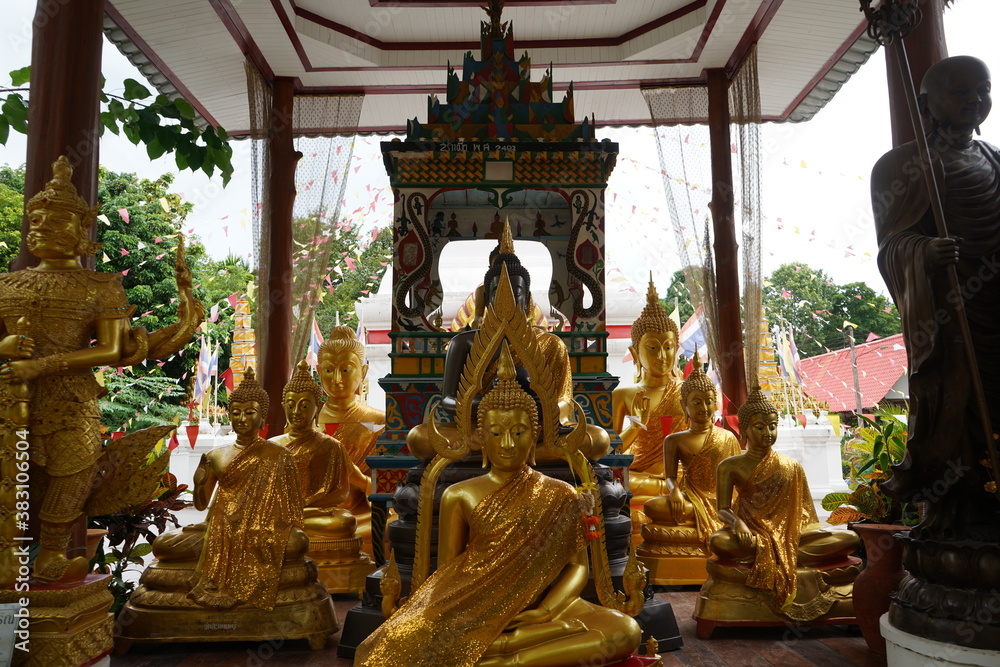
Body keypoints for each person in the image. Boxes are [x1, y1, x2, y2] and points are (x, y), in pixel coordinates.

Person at [354, 344, 640, 667]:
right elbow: (447, 575)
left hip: (551, 609)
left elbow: (578, 568)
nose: (507, 443)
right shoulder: (459, 495)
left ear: (536, 437)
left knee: (626, 630)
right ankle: (506, 651)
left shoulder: (563, 494)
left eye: (519, 432)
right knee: (406, 642)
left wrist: (543, 612)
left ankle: (507, 655)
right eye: (496, 432)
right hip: (475, 605)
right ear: (479, 438)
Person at [0, 156, 200, 584]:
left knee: (73, 472)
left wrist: (46, 364)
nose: (42, 227)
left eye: (56, 220)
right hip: (13, 394)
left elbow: (111, 349)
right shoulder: (8, 284)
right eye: (36, 220)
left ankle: (51, 553)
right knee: (11, 476)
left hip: (71, 398)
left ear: (82, 232)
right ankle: (8, 555)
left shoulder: (101, 286)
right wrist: (8, 346)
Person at [871, 55, 1000, 537]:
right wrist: (923, 252)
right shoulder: (900, 167)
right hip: (949, 316)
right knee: (954, 405)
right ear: (927, 102)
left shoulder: (995, 160)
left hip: (994, 306)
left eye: (982, 89)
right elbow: (891, 249)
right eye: (960, 92)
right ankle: (961, 506)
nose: (974, 100)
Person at [709, 387, 858, 609]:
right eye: (760, 427)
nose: (767, 433)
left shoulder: (791, 466)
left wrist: (793, 535)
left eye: (772, 426)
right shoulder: (730, 466)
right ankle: (786, 556)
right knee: (719, 542)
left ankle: (777, 556)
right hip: (751, 532)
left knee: (850, 538)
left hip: (793, 533)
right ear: (744, 430)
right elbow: (721, 509)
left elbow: (807, 516)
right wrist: (737, 522)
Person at [188, 368, 307, 610]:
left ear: (263, 417)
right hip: (220, 528)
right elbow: (201, 505)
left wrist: (264, 524)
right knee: (168, 543)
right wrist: (199, 482)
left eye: (249, 412)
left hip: (264, 529)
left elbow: (292, 509)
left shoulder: (280, 456)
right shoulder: (216, 455)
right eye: (236, 412)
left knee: (297, 542)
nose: (242, 418)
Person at [641, 352, 740, 550]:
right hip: (691, 499)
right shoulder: (674, 440)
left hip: (726, 501)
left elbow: (739, 475)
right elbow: (669, 476)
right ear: (684, 406)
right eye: (697, 402)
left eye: (709, 401)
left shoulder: (727, 437)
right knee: (651, 507)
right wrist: (675, 491)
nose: (704, 407)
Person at [611, 277, 686, 514]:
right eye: (652, 347)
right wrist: (634, 427)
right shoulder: (623, 394)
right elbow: (609, 454)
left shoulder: (687, 390)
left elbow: (703, 441)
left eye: (668, 346)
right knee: (616, 486)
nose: (662, 355)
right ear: (635, 352)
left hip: (683, 476)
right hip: (640, 477)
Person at [316, 325, 385, 545]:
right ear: (318, 372)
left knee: (385, 529)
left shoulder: (378, 422)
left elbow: (388, 488)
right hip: (313, 511)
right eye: (328, 370)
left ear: (363, 372)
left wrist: (359, 479)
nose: (336, 378)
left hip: (359, 512)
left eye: (345, 370)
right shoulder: (307, 419)